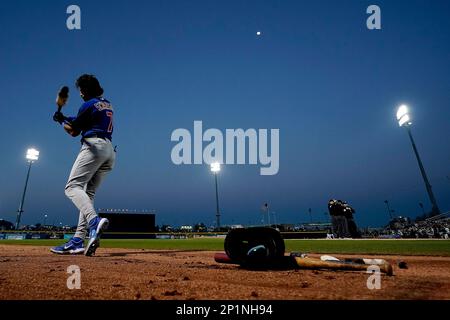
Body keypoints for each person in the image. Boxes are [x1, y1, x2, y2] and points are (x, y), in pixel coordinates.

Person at [50, 74, 115, 256]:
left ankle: (94, 223)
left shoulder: (87, 104)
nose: (80, 94)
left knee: (71, 188)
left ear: (86, 90)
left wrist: (61, 120)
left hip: (93, 147)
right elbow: (85, 120)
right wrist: (64, 117)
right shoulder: (106, 103)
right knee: (88, 194)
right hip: (109, 151)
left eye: (81, 90)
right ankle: (78, 240)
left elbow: (73, 131)